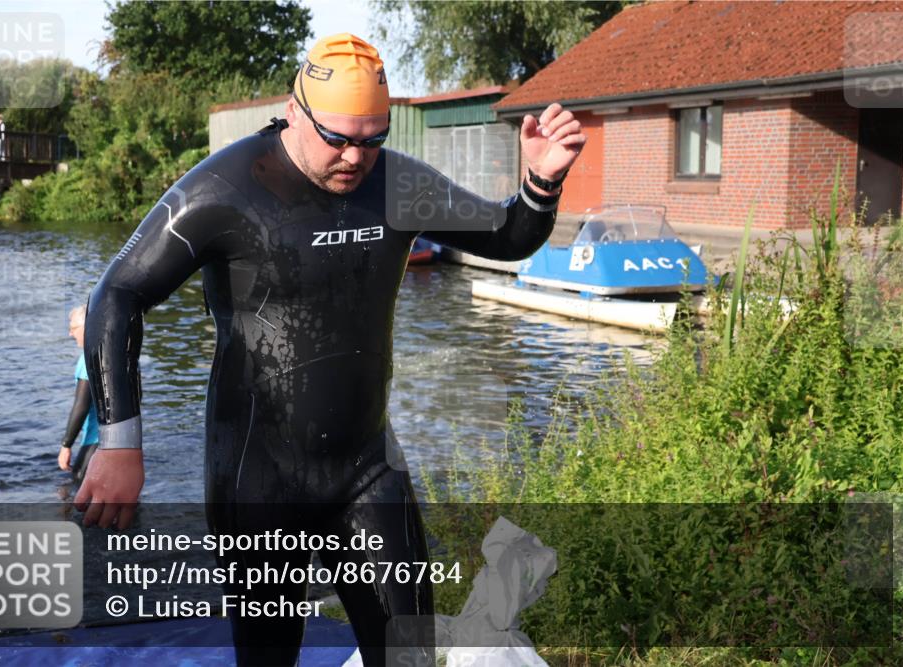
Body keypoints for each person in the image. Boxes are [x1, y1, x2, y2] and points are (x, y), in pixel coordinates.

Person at [76, 33, 584, 666]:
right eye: (337, 138)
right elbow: (117, 294)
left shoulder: (396, 183)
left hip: (367, 467)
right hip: (258, 479)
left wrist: (541, 181)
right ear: (295, 111)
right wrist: (120, 444)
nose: (355, 157)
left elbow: (507, 236)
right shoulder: (226, 188)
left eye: (373, 139)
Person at [58, 306, 99, 482]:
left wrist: (66, 445)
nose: (70, 333)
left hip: (96, 440)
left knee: (78, 484)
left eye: (73, 328)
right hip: (123, 440)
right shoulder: (118, 353)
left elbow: (81, 405)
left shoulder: (88, 358)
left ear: (87, 327)